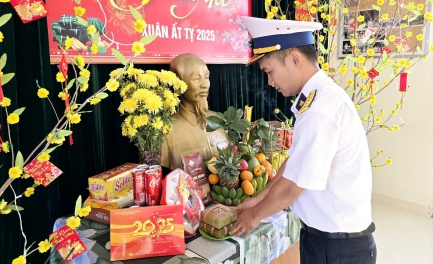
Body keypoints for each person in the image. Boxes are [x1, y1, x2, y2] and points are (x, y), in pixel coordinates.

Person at [231, 17, 376, 264]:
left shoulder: (321, 108)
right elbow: (294, 164)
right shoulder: (315, 99)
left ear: (294, 59)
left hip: (340, 247)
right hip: (324, 239)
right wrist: (259, 198)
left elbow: (292, 187)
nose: (270, 82)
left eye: (269, 72)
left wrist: (254, 215)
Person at [160, 53, 229, 170]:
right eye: (197, 78)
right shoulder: (166, 131)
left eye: (206, 77)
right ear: (179, 84)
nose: (205, 84)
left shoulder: (221, 120)